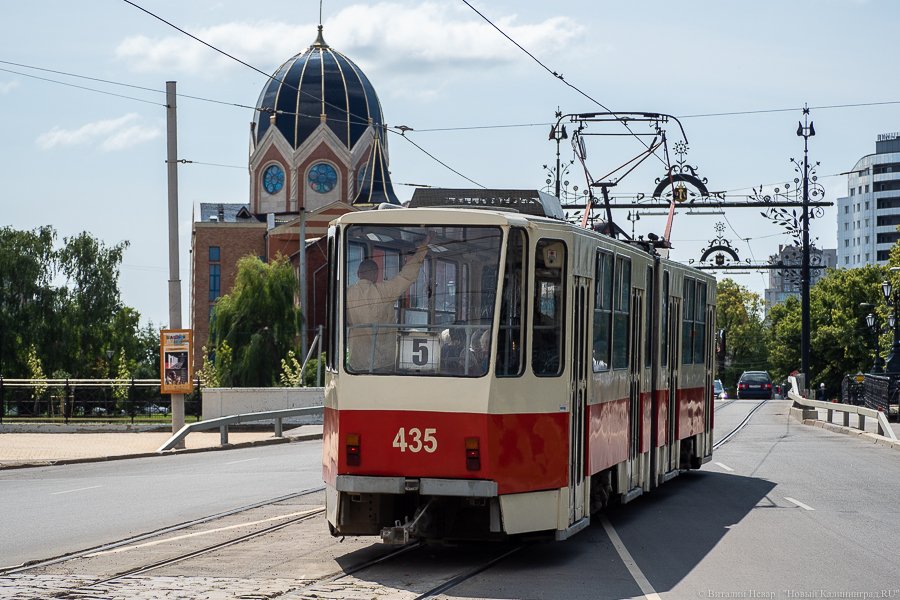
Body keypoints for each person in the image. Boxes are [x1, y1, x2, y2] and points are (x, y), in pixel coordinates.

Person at [346, 234, 431, 372]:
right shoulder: (384, 291)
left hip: (356, 363)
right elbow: (408, 275)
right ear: (376, 275)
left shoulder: (346, 293)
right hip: (384, 361)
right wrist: (423, 246)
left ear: (357, 273)